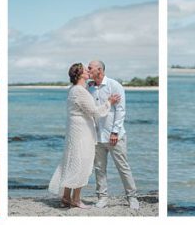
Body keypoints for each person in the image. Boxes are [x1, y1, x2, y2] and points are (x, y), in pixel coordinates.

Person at [48, 63, 120, 209]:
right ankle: (75, 199)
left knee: (71, 162)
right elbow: (95, 112)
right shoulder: (79, 91)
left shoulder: (75, 89)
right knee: (82, 163)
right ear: (80, 74)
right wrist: (109, 102)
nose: (88, 71)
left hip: (75, 131)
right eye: (85, 70)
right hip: (82, 132)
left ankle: (66, 197)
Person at [87, 60, 140, 209]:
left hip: (114, 136)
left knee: (123, 167)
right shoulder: (89, 88)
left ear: (100, 70)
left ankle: (132, 197)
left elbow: (120, 110)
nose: (88, 70)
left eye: (90, 68)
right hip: (97, 136)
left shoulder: (114, 85)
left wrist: (115, 131)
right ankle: (102, 197)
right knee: (99, 168)